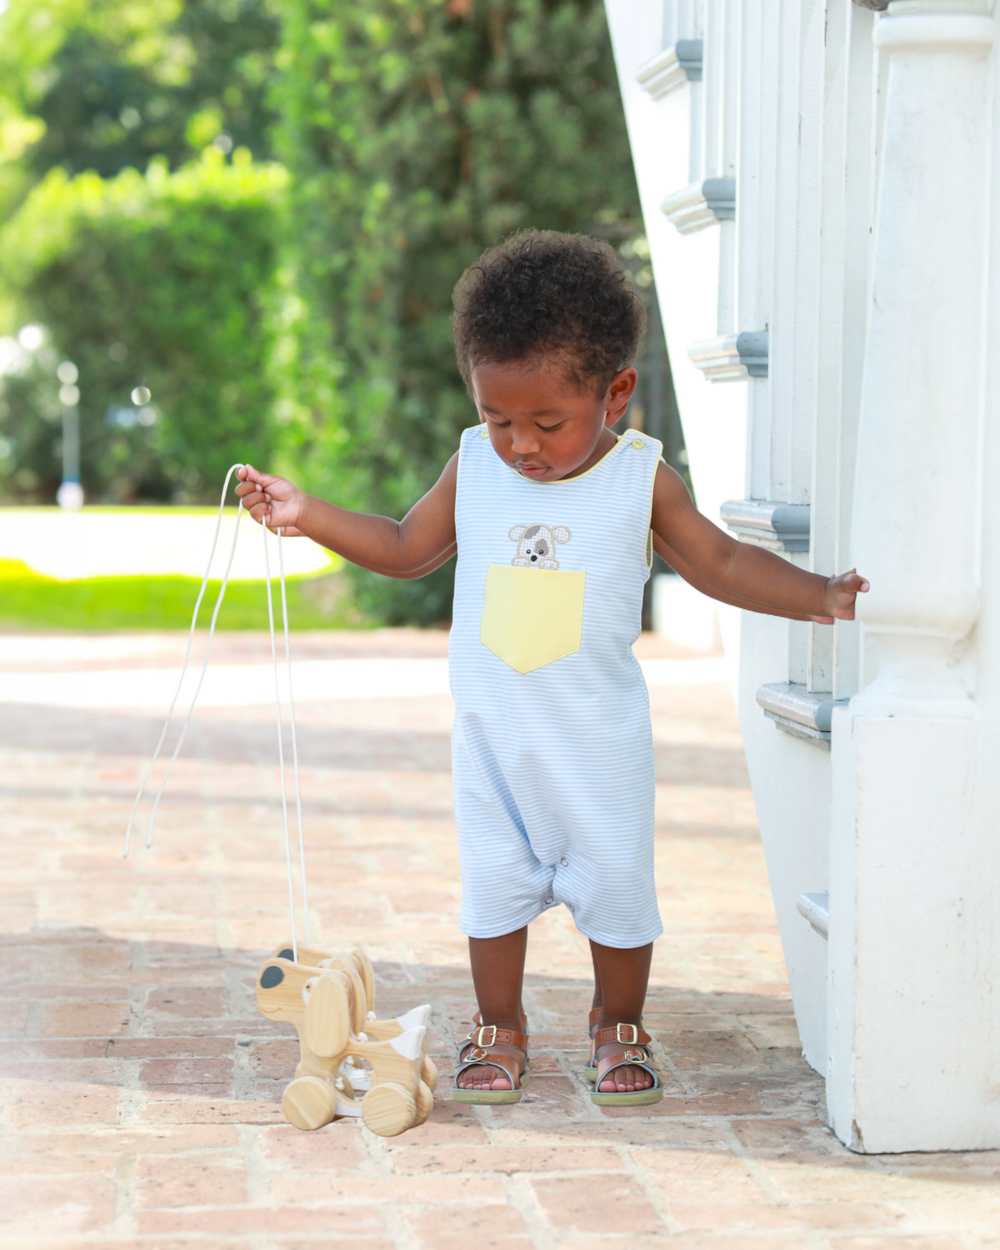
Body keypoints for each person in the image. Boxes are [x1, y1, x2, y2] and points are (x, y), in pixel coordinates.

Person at [235, 229, 868, 1108]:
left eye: (546, 422)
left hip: (598, 746)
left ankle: (618, 1021)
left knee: (618, 895)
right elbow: (408, 547)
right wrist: (310, 512)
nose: (521, 445)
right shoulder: (475, 469)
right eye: (499, 419)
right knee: (492, 895)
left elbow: (720, 564)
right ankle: (501, 1024)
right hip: (495, 742)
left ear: (614, 394)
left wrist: (818, 595)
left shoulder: (641, 479)